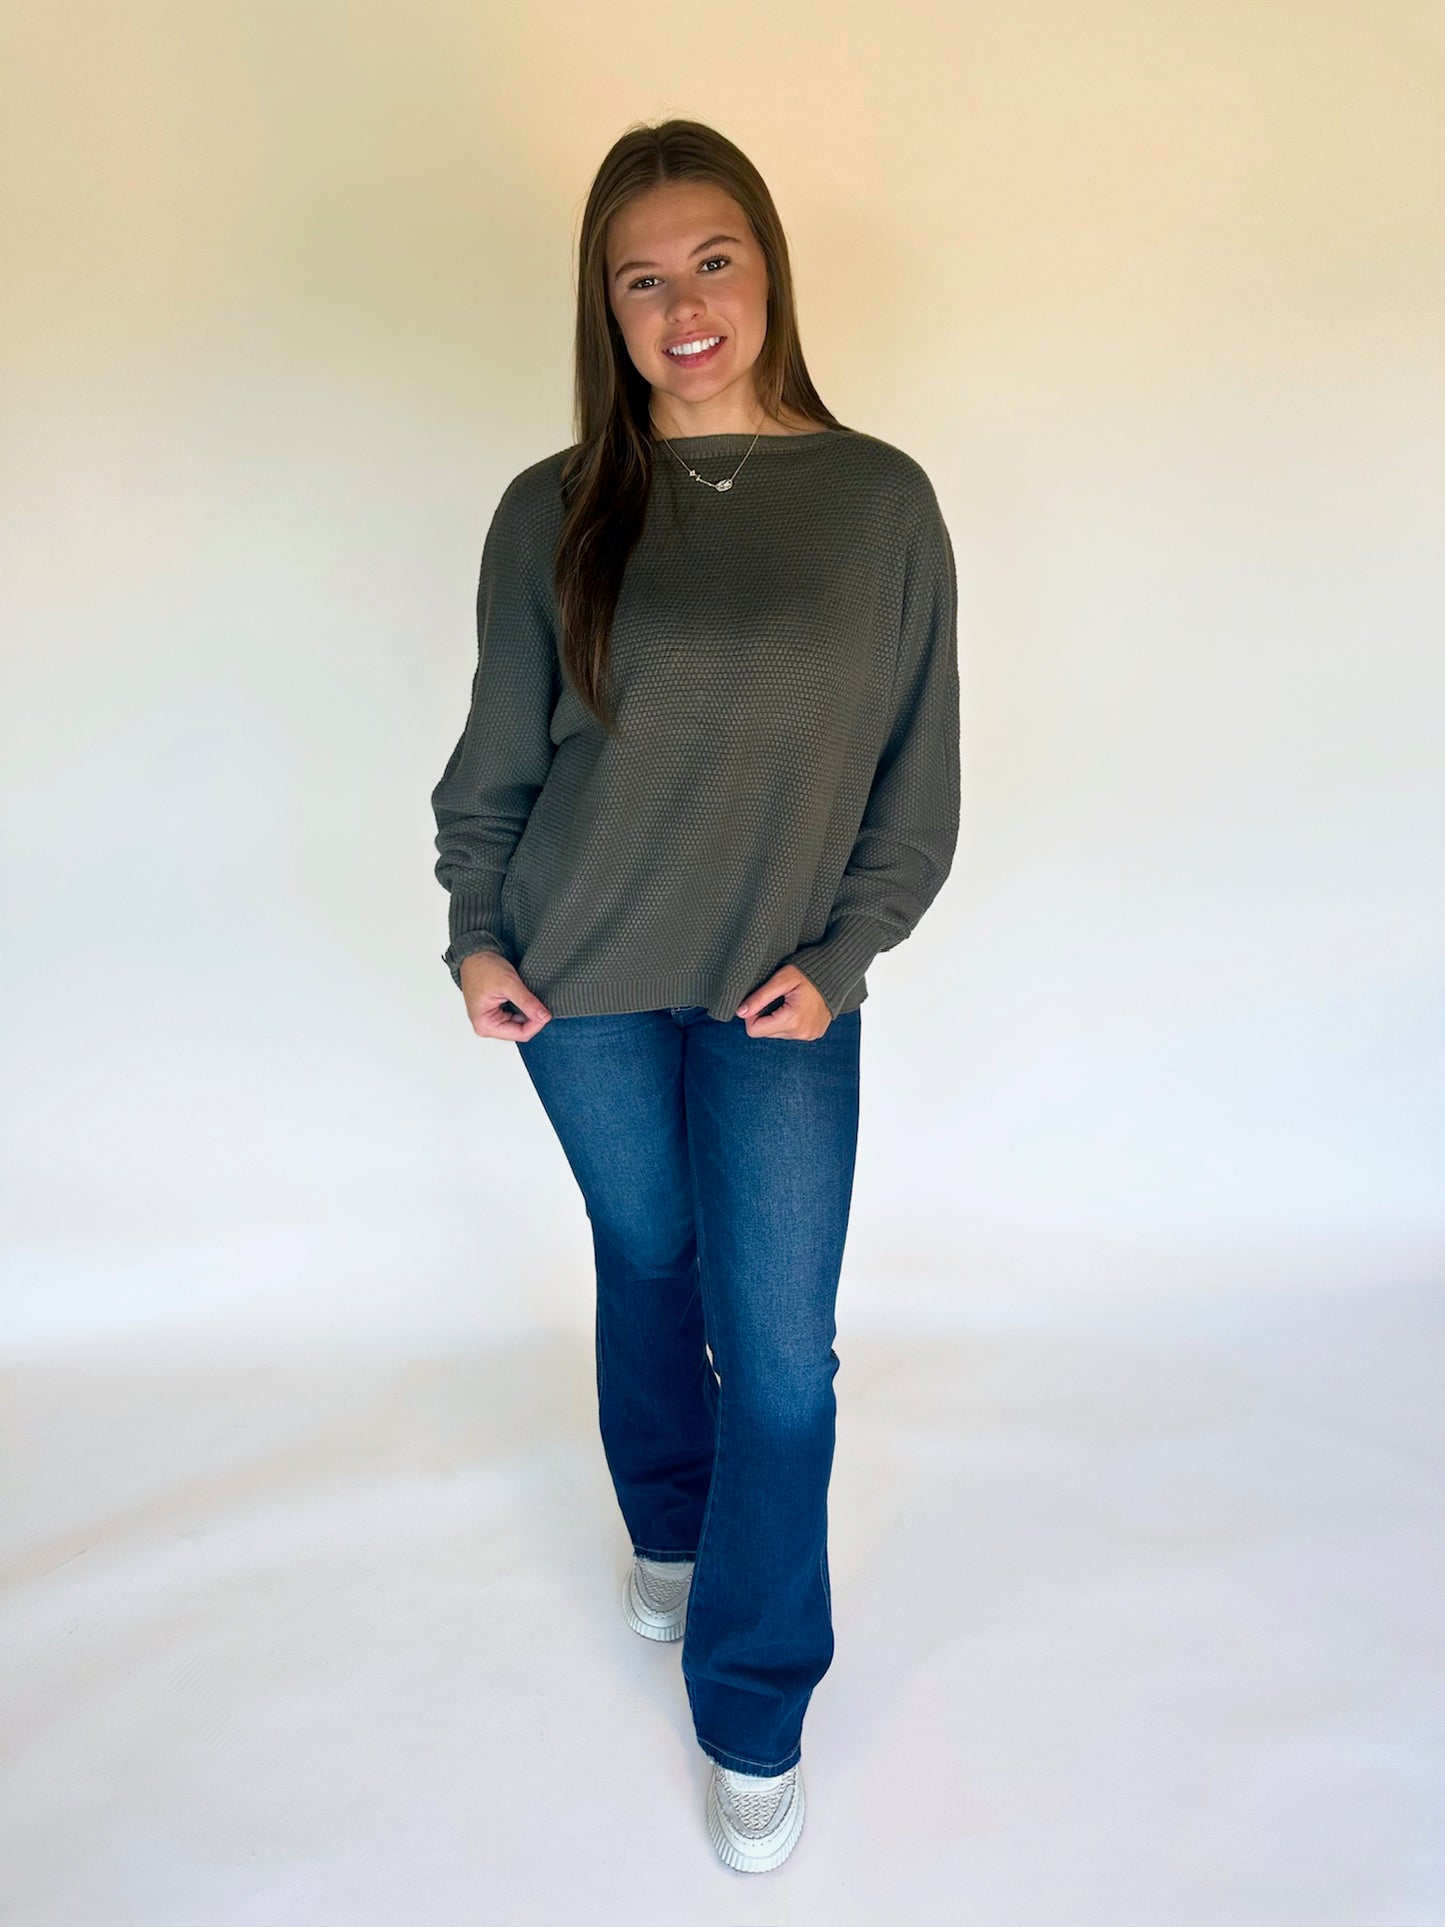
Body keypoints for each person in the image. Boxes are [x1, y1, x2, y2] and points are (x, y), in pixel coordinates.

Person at [430, 117, 960, 1875]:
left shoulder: (877, 502)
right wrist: (477, 932)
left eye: (711, 259)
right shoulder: (554, 507)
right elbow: (499, 753)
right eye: (640, 278)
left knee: (784, 1364)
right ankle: (667, 1520)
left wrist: (843, 955)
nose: (683, 305)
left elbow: (916, 780)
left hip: (778, 998)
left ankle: (753, 1704)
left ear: (767, 266)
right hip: (575, 981)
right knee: (649, 1259)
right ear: (606, 307)